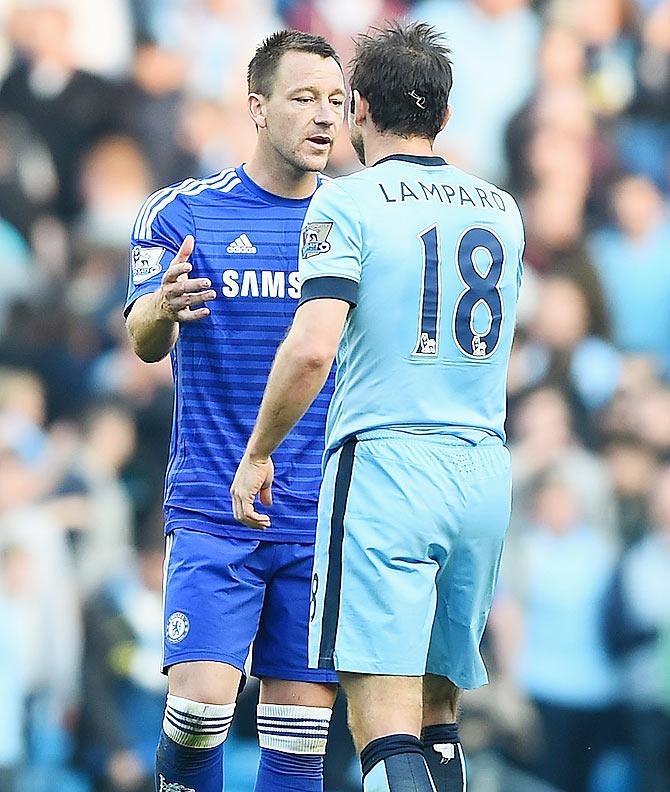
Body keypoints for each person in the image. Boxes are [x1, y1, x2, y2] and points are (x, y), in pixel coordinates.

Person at [231, 21, 524, 792]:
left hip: (388, 467)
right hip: (483, 472)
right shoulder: (501, 208)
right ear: (446, 116)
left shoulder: (347, 204)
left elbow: (312, 348)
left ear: (358, 108)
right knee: (439, 717)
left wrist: (259, 450)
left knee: (382, 721)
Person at [124, 30, 346, 792]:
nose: (325, 117)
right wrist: (161, 305)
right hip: (215, 503)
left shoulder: (352, 224)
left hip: (317, 512)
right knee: (199, 709)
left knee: (299, 734)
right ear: (257, 106)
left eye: (337, 102)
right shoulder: (182, 213)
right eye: (304, 98)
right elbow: (142, 341)